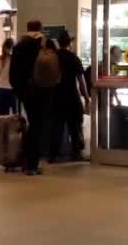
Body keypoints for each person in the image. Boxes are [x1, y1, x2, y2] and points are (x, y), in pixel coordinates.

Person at [9, 19, 56, 176]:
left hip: (24, 91)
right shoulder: (45, 42)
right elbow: (54, 66)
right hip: (42, 90)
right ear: (40, 28)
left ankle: (27, 160)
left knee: (32, 123)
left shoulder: (18, 45)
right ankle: (32, 164)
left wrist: (19, 90)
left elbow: (13, 73)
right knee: (38, 125)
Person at [49, 30, 90, 162]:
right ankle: (76, 153)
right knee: (75, 125)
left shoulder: (53, 56)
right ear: (70, 43)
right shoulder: (73, 58)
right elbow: (81, 80)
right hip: (71, 96)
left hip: (55, 96)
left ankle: (52, 155)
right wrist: (86, 97)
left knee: (56, 127)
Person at [0, 38, 16, 116]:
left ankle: (2, 128)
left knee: (3, 116)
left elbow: (0, 73)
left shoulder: (0, 59)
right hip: (12, 90)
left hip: (1, 89)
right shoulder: (14, 59)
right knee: (15, 116)